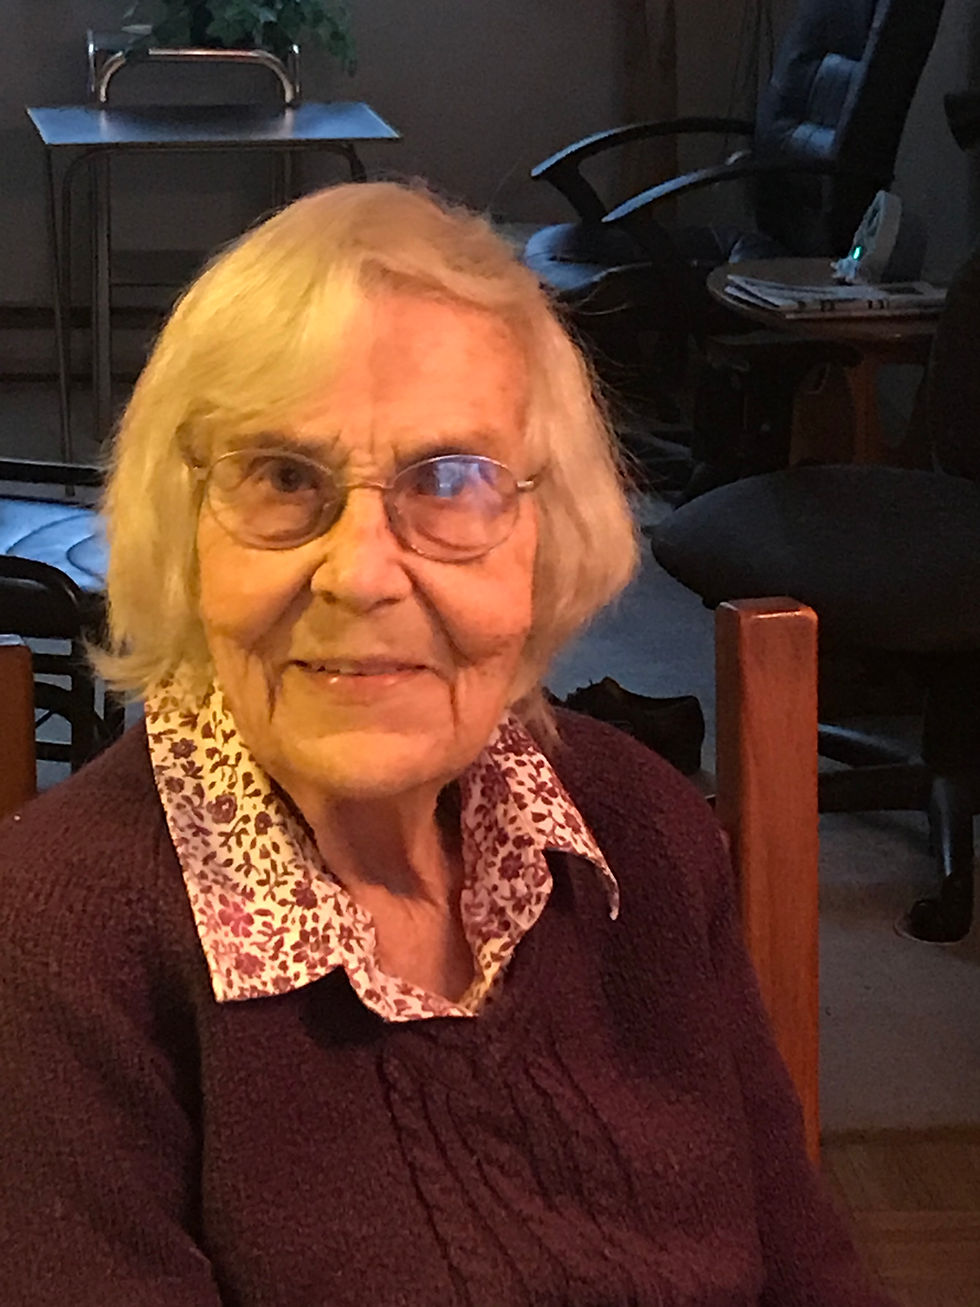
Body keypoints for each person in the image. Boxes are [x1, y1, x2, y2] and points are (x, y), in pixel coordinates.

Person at [0, 181, 891, 1306]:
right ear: (184, 529)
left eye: (451, 480)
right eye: (282, 477)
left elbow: (811, 1272)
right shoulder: (56, 940)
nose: (361, 572)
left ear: (547, 531)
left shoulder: (641, 828)